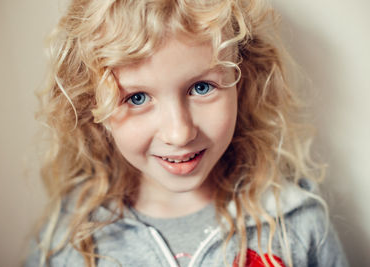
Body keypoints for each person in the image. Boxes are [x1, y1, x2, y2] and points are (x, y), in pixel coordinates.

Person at [25, 0, 348, 266]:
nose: (179, 134)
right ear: (92, 107)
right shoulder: (68, 241)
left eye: (202, 87)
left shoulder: (297, 221)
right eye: (136, 98)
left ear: (243, 83)